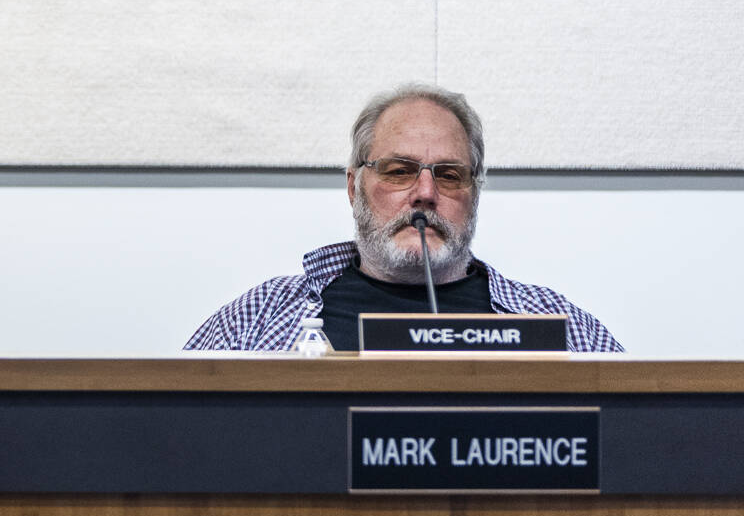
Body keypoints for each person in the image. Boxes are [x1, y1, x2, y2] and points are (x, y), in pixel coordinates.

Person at [186, 82, 623, 353]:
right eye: (400, 171)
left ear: (475, 194)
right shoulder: (256, 319)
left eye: (450, 175)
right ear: (354, 187)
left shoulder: (559, 328)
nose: (426, 194)